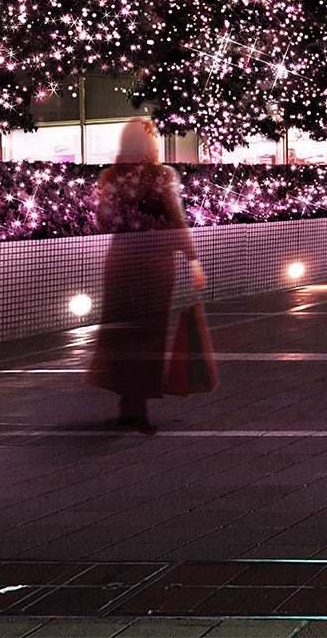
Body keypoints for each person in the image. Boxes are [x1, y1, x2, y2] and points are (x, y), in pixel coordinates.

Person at [86, 118, 207, 435]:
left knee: (123, 334)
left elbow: (103, 222)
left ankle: (129, 404)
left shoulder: (110, 176)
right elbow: (175, 218)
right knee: (149, 334)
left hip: (121, 261)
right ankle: (136, 409)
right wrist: (193, 260)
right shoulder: (161, 176)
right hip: (155, 264)